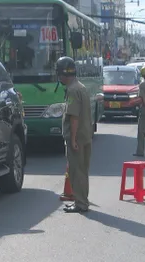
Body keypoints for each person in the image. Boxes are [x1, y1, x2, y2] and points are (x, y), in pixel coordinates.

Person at [58, 56, 93, 214]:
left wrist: (72, 139)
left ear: (63, 74)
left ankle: (80, 203)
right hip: (86, 135)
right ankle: (83, 200)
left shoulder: (72, 90)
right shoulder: (81, 87)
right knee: (83, 170)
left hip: (77, 136)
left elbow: (74, 117)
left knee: (76, 171)